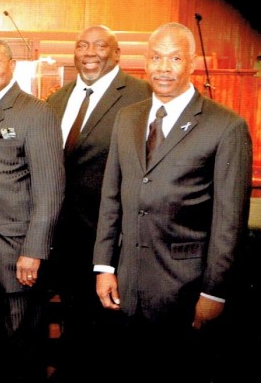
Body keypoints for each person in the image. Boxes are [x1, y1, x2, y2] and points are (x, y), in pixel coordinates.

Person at [93, 22, 253, 383]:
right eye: (156, 58)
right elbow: (111, 195)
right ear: (144, 63)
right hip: (126, 284)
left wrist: (214, 292)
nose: (163, 68)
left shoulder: (226, 127)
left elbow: (229, 222)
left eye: (175, 58)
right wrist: (104, 266)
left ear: (192, 63)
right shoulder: (127, 118)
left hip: (185, 288)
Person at [44, 25, 151, 381]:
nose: (90, 52)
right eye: (82, 45)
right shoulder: (58, 98)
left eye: (100, 46)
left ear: (117, 54)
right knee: (69, 325)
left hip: (109, 240)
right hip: (60, 238)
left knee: (105, 336)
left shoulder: (142, 97)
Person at [0, 37, 65, 383]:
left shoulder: (36, 112)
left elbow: (50, 190)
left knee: (22, 350)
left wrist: (34, 252)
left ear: (12, 66)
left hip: (19, 257)